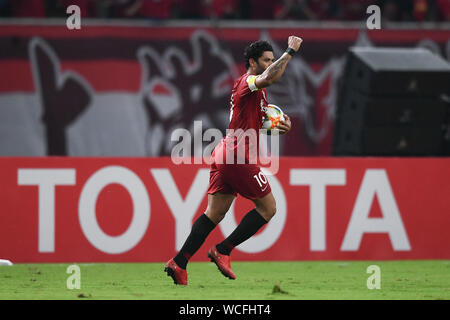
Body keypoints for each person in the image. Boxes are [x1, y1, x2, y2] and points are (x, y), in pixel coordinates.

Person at [164, 36, 303, 285]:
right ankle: (223, 250)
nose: (271, 64)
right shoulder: (248, 82)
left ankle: (179, 262)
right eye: (266, 60)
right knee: (268, 208)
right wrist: (289, 52)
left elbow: (256, 122)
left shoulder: (257, 94)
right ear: (252, 62)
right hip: (237, 155)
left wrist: (281, 125)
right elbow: (270, 77)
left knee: (214, 214)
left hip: (226, 152)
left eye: (273, 60)